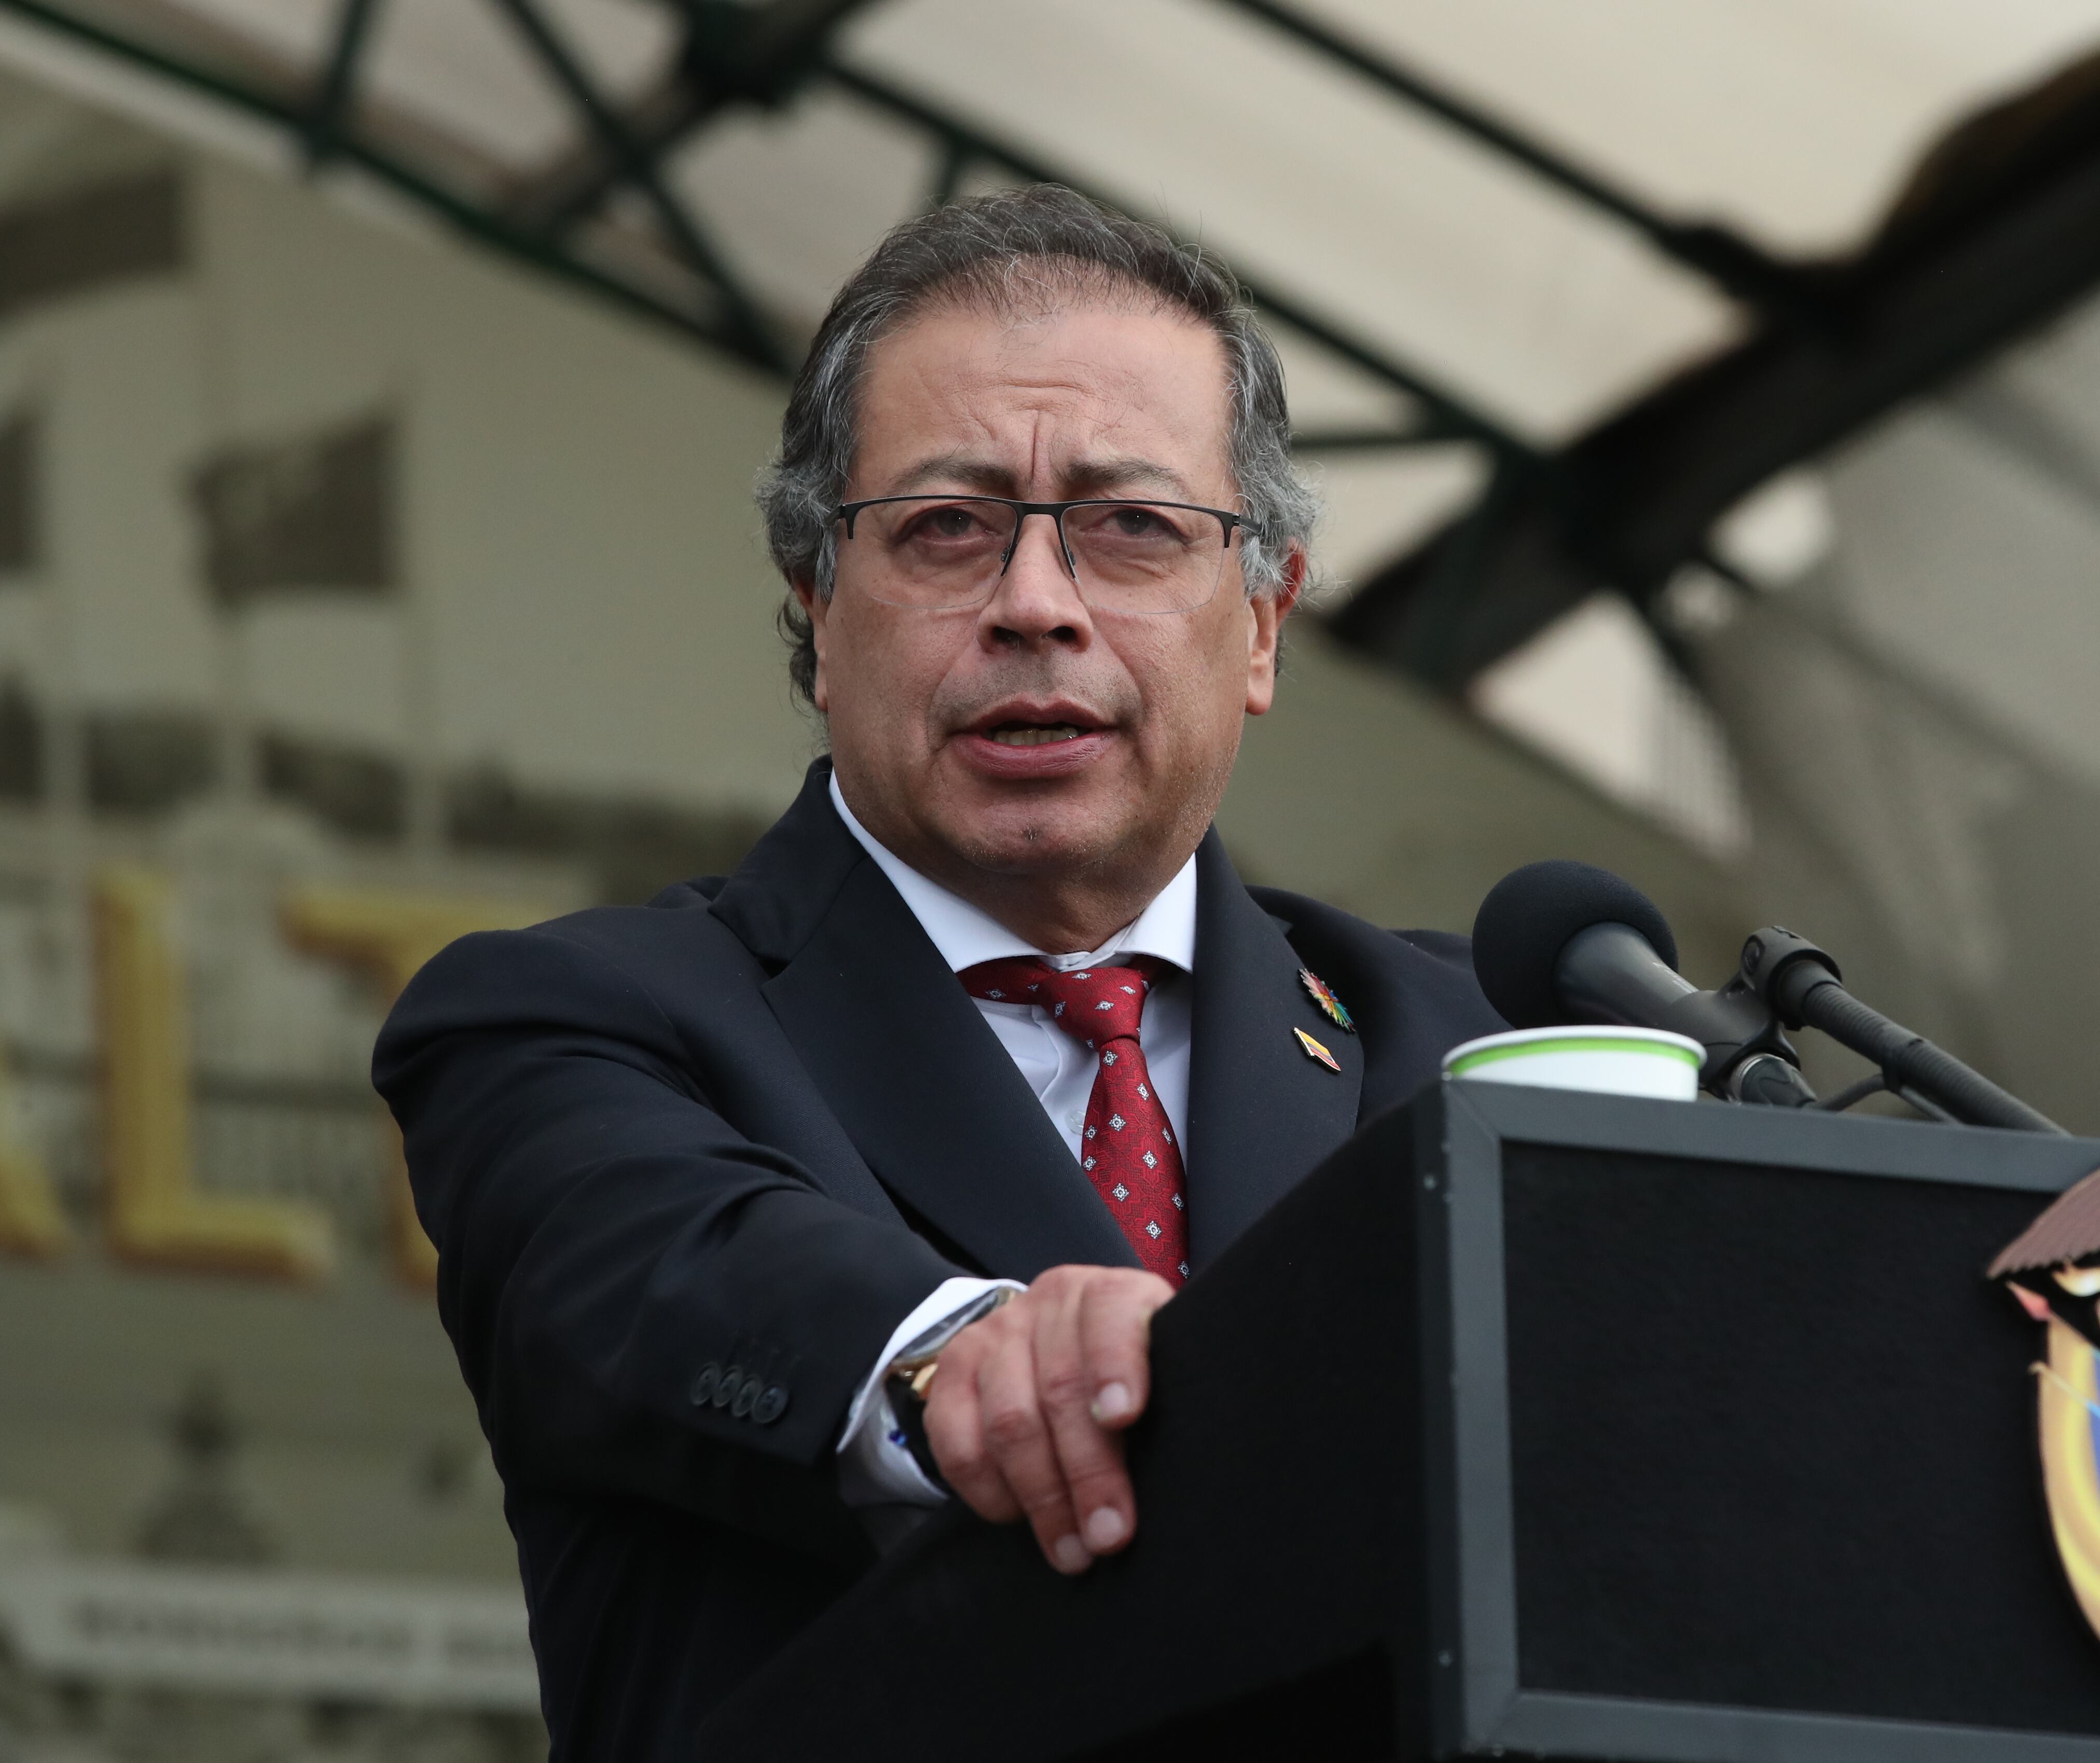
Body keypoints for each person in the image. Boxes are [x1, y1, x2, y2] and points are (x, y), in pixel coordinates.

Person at [374, 185, 1504, 1761]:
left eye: (1133, 525)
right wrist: (962, 1355)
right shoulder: (563, 1024)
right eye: (946, 528)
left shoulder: (1473, 1046)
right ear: (819, 612)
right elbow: (682, 1260)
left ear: (1262, 622)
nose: (1036, 605)